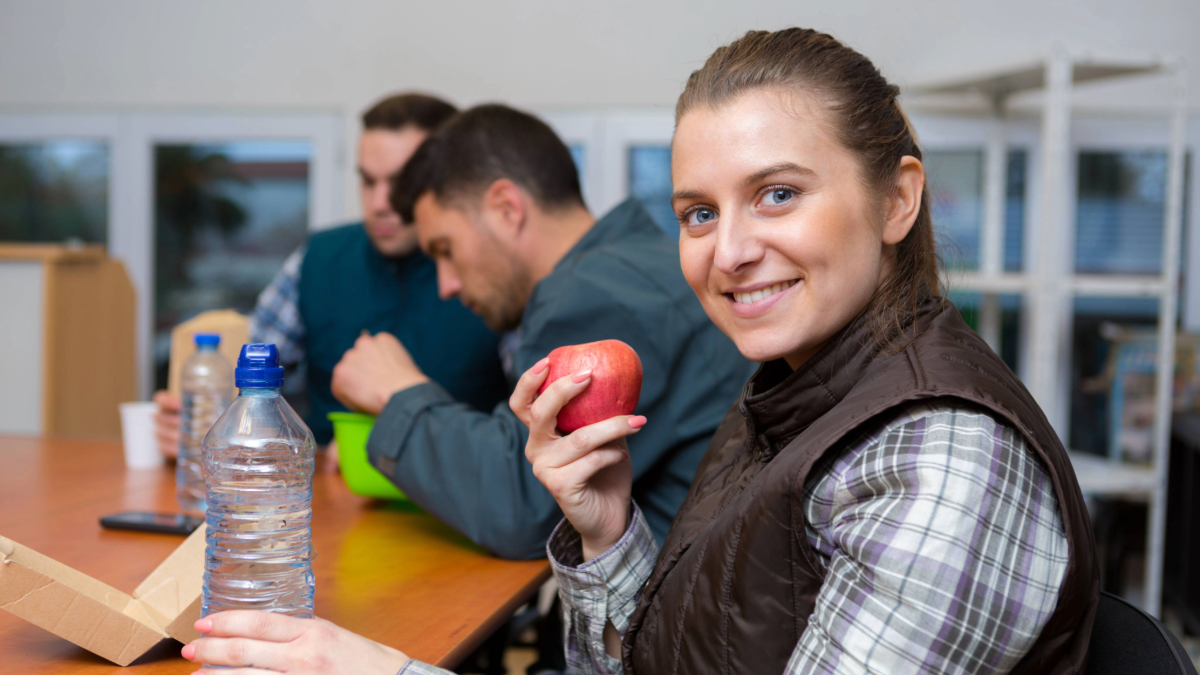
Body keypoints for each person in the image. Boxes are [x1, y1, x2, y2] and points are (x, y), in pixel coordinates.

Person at [182, 27, 1098, 675]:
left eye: (777, 194)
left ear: (899, 201)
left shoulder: (938, 458)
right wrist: (607, 527)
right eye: (698, 212)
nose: (727, 252)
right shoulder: (784, 393)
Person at [326, 103, 751, 560]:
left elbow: (521, 507)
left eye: (446, 249)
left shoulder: (598, 293)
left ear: (507, 208)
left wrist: (398, 392)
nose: (446, 285)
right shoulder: (630, 263)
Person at [153, 93, 509, 451]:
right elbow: (250, 383)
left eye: (402, 183)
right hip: (320, 495)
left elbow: (521, 439)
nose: (381, 204)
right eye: (368, 182)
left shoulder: (496, 273)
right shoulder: (319, 257)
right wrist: (203, 421)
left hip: (452, 501)